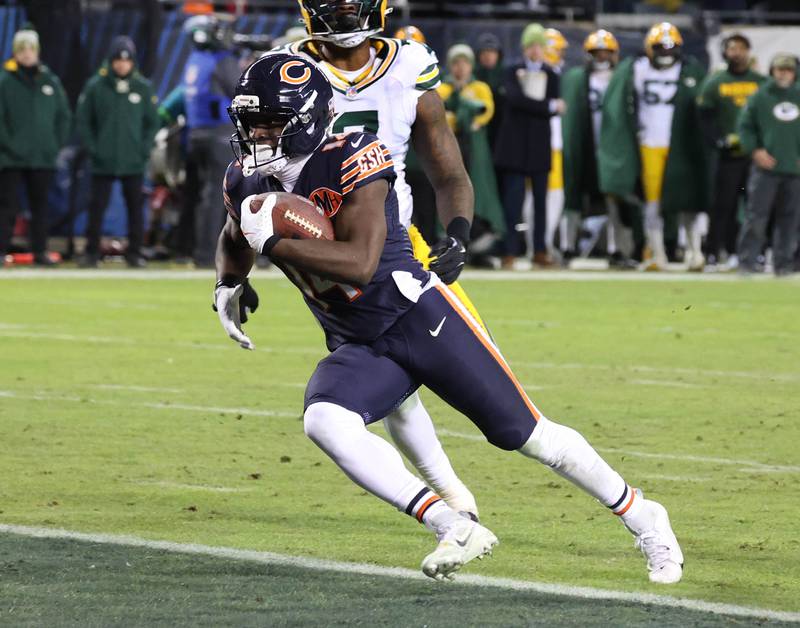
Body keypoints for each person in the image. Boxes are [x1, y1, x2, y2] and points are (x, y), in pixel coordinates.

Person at [215, 53, 684, 584]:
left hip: (417, 317)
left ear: (307, 119)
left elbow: (361, 263)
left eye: (271, 122)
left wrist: (275, 243)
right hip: (359, 340)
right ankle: (452, 524)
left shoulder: (353, 156)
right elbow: (235, 234)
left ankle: (644, 515)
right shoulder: (245, 179)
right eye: (250, 121)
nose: (257, 134)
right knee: (324, 420)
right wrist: (229, 282)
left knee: (528, 435)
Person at [270, 0, 488, 517]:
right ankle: (452, 497)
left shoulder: (408, 65)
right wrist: (235, 269)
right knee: (393, 380)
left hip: (399, 245)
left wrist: (457, 233)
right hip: (329, 254)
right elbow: (254, 170)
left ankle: (459, 491)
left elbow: (448, 170)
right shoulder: (286, 71)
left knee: (479, 370)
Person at [599, 22, 708, 271]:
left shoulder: (690, 70)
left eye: (670, 47)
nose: (666, 52)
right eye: (660, 47)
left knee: (687, 200)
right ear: (649, 48)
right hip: (650, 144)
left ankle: (695, 251)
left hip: (680, 145)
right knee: (653, 202)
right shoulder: (636, 69)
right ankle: (657, 253)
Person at [76, 36, 160, 268]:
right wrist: (94, 148)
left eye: (127, 60)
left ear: (132, 62)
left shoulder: (142, 87)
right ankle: (91, 252)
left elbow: (152, 123)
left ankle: (135, 253)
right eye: (118, 60)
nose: (122, 65)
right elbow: (83, 121)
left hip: (133, 160)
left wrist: (143, 149)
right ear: (111, 61)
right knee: (96, 207)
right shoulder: (95, 86)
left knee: (135, 208)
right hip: (103, 160)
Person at [561, 29, 636, 268]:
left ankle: (617, 249)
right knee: (573, 195)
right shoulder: (577, 78)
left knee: (614, 196)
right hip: (584, 142)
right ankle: (567, 246)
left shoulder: (622, 78)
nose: (602, 57)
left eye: (606, 52)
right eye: (597, 52)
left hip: (612, 146)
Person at [0, 24, 70, 266]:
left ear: (38, 51)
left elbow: (64, 116)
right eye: (22, 49)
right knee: (7, 206)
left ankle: (40, 251)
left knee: (40, 207)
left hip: (42, 157)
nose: (27, 53)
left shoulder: (50, 80)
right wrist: (10, 145)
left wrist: (53, 145)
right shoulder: (5, 81)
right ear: (15, 52)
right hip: (10, 158)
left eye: (31, 49)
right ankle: (1, 250)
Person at [494, 23, 563, 269]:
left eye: (539, 46)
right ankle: (510, 251)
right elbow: (517, 100)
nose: (535, 50)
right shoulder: (512, 71)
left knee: (540, 204)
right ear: (524, 48)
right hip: (515, 149)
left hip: (539, 147)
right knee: (513, 204)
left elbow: (548, 105)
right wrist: (546, 106)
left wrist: (543, 106)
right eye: (531, 45)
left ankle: (540, 250)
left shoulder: (552, 74)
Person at [697, 33, 765, 271]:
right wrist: (718, 141)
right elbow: (704, 117)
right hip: (728, 157)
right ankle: (714, 253)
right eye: (732, 48)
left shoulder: (760, 82)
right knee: (723, 205)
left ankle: (755, 253)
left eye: (741, 48)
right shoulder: (716, 82)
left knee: (756, 207)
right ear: (725, 53)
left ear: (748, 51)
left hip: (755, 156)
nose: (737, 53)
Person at [182, 14, 240, 267]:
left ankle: (196, 250)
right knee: (221, 198)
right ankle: (208, 254)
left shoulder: (194, 60)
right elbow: (241, 91)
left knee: (201, 197)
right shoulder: (221, 60)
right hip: (220, 135)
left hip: (196, 135)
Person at [736, 54, 800, 276]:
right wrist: (755, 150)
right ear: (772, 71)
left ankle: (783, 264)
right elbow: (744, 127)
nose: (783, 74)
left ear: (794, 73)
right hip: (765, 169)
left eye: (788, 70)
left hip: (794, 170)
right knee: (756, 217)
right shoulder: (759, 96)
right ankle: (747, 263)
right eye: (779, 69)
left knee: (790, 220)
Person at [438, 44, 505, 243]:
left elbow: (487, 110)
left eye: (465, 63)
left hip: (476, 149)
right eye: (456, 63)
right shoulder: (443, 89)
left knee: (479, 190)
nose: (460, 67)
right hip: (451, 147)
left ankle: (481, 237)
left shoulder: (479, 88)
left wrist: (469, 115)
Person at [543, 27, 568, 262]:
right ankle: (544, 244)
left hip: (552, 142)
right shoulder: (546, 74)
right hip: (548, 143)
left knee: (550, 196)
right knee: (551, 195)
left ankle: (543, 243)